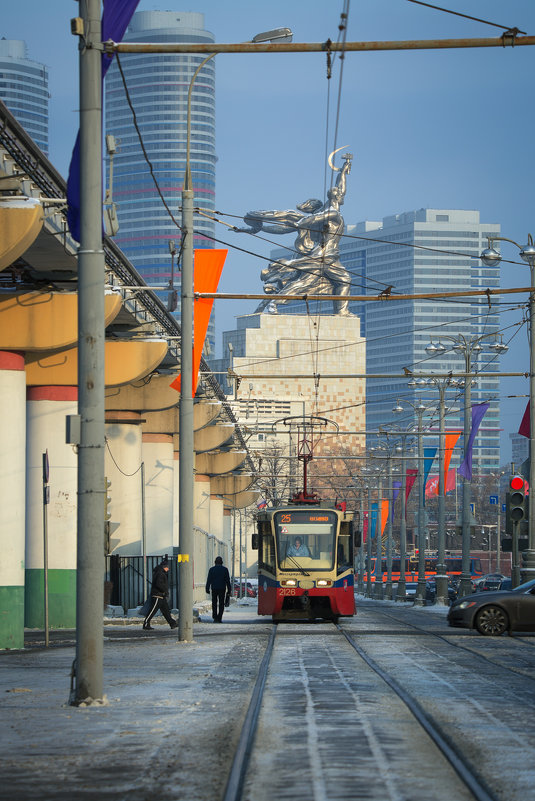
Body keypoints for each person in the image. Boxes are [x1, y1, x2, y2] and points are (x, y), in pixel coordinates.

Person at [143, 558, 178, 630]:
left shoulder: (160, 572)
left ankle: (172, 623)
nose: (168, 569)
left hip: (161, 595)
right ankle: (146, 623)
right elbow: (159, 584)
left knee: (166, 611)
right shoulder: (160, 573)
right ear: (164, 567)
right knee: (153, 610)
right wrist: (164, 590)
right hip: (157, 595)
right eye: (167, 567)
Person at [205, 556, 232, 623]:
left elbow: (209, 580)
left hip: (214, 588)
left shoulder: (211, 569)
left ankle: (214, 616)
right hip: (222, 588)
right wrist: (229, 589)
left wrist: (207, 588)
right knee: (221, 603)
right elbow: (227, 580)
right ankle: (219, 617)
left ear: (215, 562)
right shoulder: (225, 570)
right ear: (222, 562)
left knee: (214, 602)